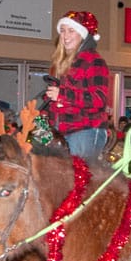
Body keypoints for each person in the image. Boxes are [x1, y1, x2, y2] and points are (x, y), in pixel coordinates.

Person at [44, 10, 110, 161]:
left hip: (85, 130)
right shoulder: (60, 65)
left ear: (82, 34)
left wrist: (62, 95)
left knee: (78, 174)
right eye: (62, 30)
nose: (65, 36)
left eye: (71, 30)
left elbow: (99, 100)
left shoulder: (94, 61)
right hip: (62, 133)